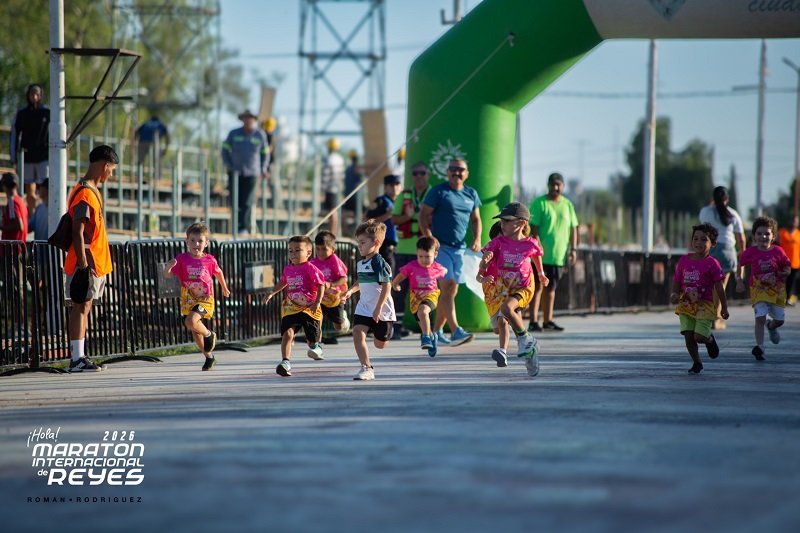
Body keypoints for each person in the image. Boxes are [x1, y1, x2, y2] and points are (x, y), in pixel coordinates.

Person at [477, 203, 548, 376]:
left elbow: (536, 256)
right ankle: (530, 352)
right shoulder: (498, 242)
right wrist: (485, 261)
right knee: (508, 322)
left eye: (507, 221)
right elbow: (486, 256)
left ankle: (524, 340)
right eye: (502, 221)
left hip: (524, 287)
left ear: (522, 223)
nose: (503, 224)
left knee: (507, 309)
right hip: (505, 288)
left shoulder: (530, 243)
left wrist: (541, 274)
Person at [64, 145, 118, 372]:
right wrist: (84, 265)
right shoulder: (86, 193)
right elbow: (78, 231)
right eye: (112, 169)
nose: (111, 174)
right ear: (105, 166)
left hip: (91, 261)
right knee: (81, 306)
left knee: (84, 307)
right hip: (85, 261)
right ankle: (76, 359)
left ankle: (80, 356)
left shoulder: (90, 190)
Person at [419, 158, 481, 347]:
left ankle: (436, 331)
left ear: (466, 173)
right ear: (447, 172)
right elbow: (423, 215)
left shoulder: (471, 193)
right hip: (441, 248)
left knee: (451, 292)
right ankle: (455, 331)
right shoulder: (439, 191)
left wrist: (477, 239)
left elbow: (476, 219)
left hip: (460, 248)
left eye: (461, 169)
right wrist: (429, 237)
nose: (457, 172)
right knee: (448, 286)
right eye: (453, 169)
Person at [164, 222, 231, 371]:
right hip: (188, 298)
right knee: (194, 330)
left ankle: (209, 334)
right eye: (193, 240)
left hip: (205, 298)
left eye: (200, 241)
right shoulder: (182, 259)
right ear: (187, 241)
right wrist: (168, 267)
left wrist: (224, 287)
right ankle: (209, 357)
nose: (196, 244)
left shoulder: (210, 260)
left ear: (206, 243)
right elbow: (167, 275)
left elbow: (218, 272)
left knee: (190, 321)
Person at [669, 223, 729, 375]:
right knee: (689, 336)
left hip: (705, 305)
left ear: (712, 244)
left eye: (704, 239)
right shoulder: (684, 261)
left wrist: (724, 307)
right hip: (686, 304)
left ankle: (709, 340)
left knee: (699, 336)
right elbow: (677, 281)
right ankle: (697, 362)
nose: (698, 242)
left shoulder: (712, 264)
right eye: (695, 239)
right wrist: (674, 294)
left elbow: (719, 287)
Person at [340, 219, 396, 381]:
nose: (359, 246)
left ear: (376, 242)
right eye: (358, 242)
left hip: (382, 309)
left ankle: (384, 333)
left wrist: (378, 308)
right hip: (364, 307)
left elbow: (387, 286)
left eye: (363, 242)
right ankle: (366, 367)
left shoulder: (379, 263)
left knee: (380, 344)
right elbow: (361, 281)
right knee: (357, 332)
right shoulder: (361, 263)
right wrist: (350, 291)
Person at [263, 235, 326, 377]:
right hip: (291, 307)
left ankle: (316, 346)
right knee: (288, 333)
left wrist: (317, 302)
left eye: (298, 250)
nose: (293, 254)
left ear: (308, 253)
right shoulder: (288, 269)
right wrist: (272, 292)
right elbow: (283, 282)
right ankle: (285, 362)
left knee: (311, 341)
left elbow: (321, 284)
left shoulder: (310, 268)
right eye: (290, 251)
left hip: (309, 307)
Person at [735, 216, 792, 361]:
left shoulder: (778, 251)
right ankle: (760, 347)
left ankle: (771, 326)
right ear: (754, 236)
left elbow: (787, 266)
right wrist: (739, 280)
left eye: (767, 233)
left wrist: (786, 272)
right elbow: (740, 264)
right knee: (759, 317)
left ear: (773, 236)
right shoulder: (750, 252)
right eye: (759, 234)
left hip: (776, 290)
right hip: (758, 290)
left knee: (779, 320)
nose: (763, 237)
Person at [528, 172, 578, 333]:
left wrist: (573, 249)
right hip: (539, 256)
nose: (555, 188)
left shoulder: (568, 205)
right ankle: (533, 321)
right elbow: (533, 226)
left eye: (558, 185)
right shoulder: (539, 203)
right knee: (537, 287)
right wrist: (537, 245)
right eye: (552, 184)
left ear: (563, 186)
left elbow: (574, 228)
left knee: (551, 288)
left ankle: (548, 320)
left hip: (558, 255)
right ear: (548, 185)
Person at [698, 186, 746, 329]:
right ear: (727, 199)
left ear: (712, 198)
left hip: (709, 250)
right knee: (720, 286)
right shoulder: (733, 214)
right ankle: (716, 317)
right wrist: (742, 252)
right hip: (727, 251)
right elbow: (741, 238)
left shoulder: (705, 211)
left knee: (709, 285)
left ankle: (708, 315)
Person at [391, 236, 447, 357]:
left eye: (427, 257)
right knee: (422, 321)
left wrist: (440, 273)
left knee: (423, 311)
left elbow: (444, 271)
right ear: (416, 253)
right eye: (420, 256)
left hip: (431, 295)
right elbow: (401, 275)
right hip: (415, 297)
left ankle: (425, 337)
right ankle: (432, 337)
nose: (424, 260)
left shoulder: (436, 267)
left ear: (435, 255)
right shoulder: (412, 266)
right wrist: (395, 284)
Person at [391, 161, 433, 324]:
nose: (419, 176)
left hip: (426, 253)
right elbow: (394, 219)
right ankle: (397, 327)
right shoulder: (404, 195)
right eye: (415, 173)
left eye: (422, 173)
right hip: (404, 250)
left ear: (428, 175)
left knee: (426, 291)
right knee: (399, 290)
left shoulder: (434, 195)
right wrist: (407, 217)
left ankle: (427, 328)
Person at [222, 110, 270, 235]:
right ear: (242, 119)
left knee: (248, 201)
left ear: (254, 120)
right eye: (246, 118)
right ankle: (235, 225)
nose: (248, 120)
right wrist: (228, 164)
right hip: (235, 172)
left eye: (251, 118)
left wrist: (263, 168)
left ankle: (244, 227)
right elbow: (225, 149)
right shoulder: (234, 133)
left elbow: (265, 153)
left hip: (252, 173)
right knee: (235, 200)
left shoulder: (260, 135)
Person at [10, 84, 50, 217]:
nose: (35, 97)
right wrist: (13, 157)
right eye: (32, 94)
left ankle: (44, 214)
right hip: (27, 157)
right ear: (28, 95)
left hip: (43, 157)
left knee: (45, 188)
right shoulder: (22, 114)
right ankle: (33, 215)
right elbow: (14, 135)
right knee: (29, 188)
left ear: (41, 95)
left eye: (37, 94)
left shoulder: (47, 112)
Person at [310, 230, 351, 344]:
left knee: (338, 326)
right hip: (320, 298)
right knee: (317, 319)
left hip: (335, 297)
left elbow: (344, 279)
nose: (320, 252)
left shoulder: (335, 261)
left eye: (324, 249)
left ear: (333, 249)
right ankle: (317, 344)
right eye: (318, 249)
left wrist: (331, 284)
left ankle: (343, 317)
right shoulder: (313, 263)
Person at [365, 174, 402, 275]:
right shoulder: (381, 201)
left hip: (398, 245)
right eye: (391, 185)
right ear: (385, 187)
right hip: (383, 244)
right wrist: (387, 215)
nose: (394, 187)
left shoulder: (401, 201)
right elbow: (367, 220)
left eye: (397, 184)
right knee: (387, 272)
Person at [321, 137, 345, 235]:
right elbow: (342, 176)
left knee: (332, 212)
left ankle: (332, 233)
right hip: (337, 188)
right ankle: (332, 232)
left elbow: (325, 177)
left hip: (330, 189)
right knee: (333, 211)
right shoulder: (340, 159)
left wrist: (322, 190)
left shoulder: (328, 159)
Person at [778, 215, 800, 306]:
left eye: (796, 221)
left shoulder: (798, 234)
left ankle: (789, 299)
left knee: (792, 283)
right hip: (783, 262)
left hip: (795, 263)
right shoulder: (781, 232)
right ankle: (781, 298)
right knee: (782, 282)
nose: (794, 223)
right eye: (792, 220)